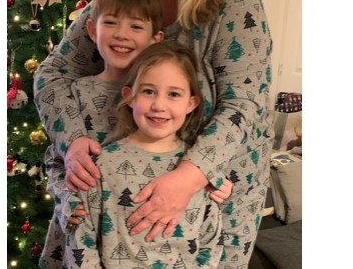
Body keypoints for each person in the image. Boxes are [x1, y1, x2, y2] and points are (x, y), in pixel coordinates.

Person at [34, 0, 273, 268]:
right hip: (108, 207)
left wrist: (189, 177)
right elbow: (52, 74)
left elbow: (246, 104)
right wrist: (72, 141)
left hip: (204, 205)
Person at [65, 42, 230, 268]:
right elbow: (82, 242)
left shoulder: (200, 170)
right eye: (148, 91)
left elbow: (211, 241)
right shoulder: (101, 165)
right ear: (130, 96)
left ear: (191, 103)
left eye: (173, 94)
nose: (159, 105)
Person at [38, 0, 164, 267]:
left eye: (136, 26)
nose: (122, 34)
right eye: (111, 23)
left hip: (135, 236)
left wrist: (213, 180)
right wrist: (65, 198)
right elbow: (55, 162)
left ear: (155, 39)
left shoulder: (159, 103)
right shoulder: (75, 95)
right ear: (93, 31)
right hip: (80, 232)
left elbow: (179, 151)